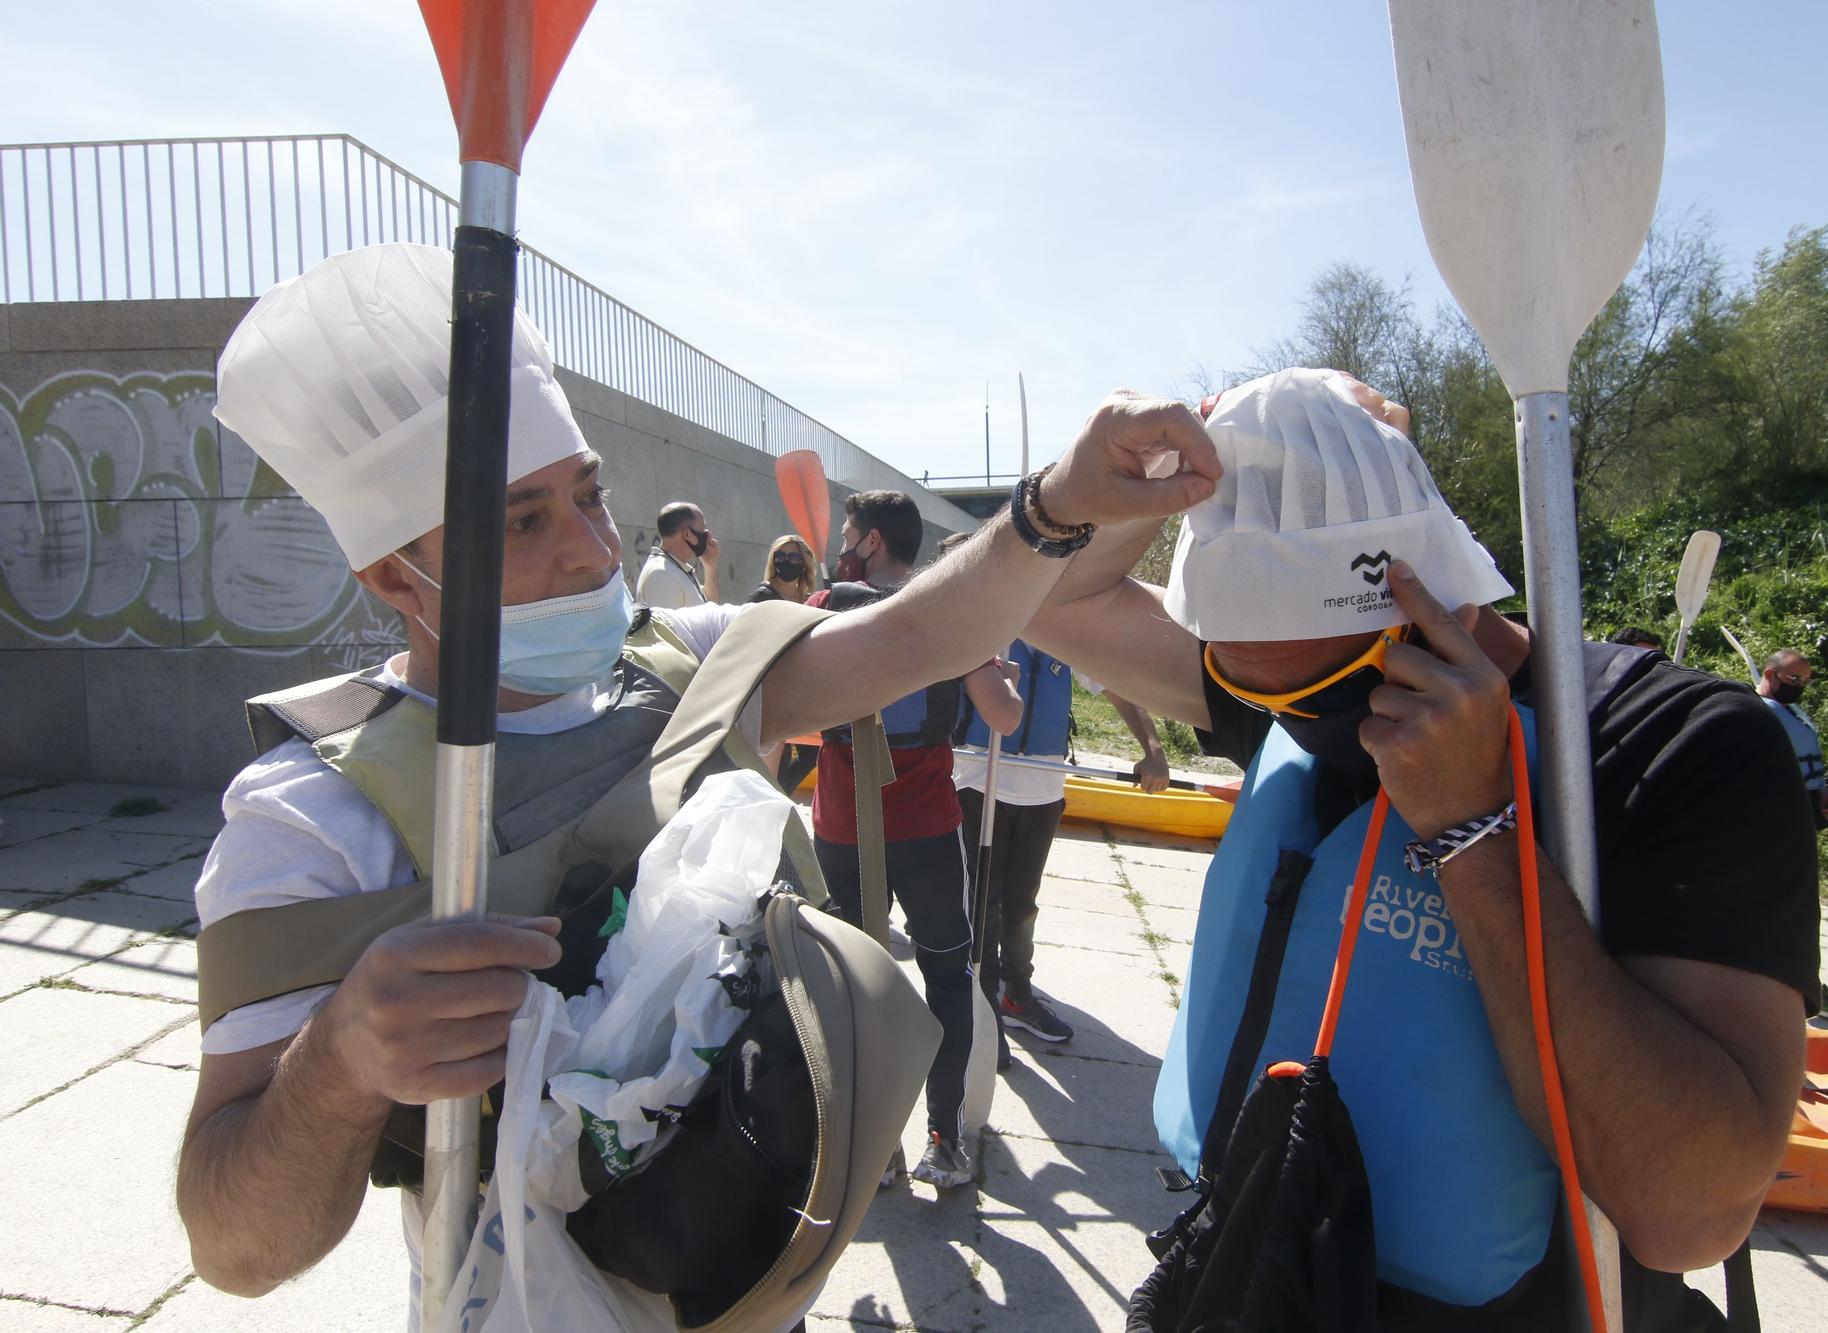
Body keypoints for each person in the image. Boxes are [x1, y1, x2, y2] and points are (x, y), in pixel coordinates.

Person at [177, 242, 1221, 1315]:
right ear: (395, 572)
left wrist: (1058, 503)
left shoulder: (685, 659)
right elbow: (234, 1245)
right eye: (524, 519)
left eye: (588, 496)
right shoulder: (309, 815)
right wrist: (342, 1059)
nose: (589, 549)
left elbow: (918, 635)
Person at [1026, 368, 1819, 1329]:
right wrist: (1168, 474)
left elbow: (1692, 1214)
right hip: (1256, 1264)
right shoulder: (1287, 670)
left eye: (1333, 692)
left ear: (1431, 595)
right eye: (1258, 695)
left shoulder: (1679, 747)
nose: (1303, 725)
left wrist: (1476, 834)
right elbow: (1048, 604)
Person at [805, 492, 1023, 1189]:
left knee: (849, 984)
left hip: (843, 829)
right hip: (927, 830)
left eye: (848, 534)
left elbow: (790, 712)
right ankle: (945, 1138)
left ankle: (862, 1145)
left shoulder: (820, 606)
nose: (843, 543)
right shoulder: (951, 615)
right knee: (946, 978)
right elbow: (1005, 717)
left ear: (869, 543)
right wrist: (995, 672)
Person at [943, 529, 1171, 1065]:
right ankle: (981, 1006)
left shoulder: (1066, 629)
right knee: (984, 900)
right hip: (979, 782)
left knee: (1022, 902)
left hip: (1042, 789)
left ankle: (1016, 994)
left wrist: (1154, 749)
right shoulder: (979, 622)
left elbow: (1119, 684)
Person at [1757, 648, 1828, 1018]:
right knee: (1777, 907)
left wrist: (1822, 793)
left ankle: (1803, 981)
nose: (1800, 687)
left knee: (1798, 908)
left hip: (1802, 819)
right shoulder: (1750, 713)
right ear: (1771, 674)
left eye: (1805, 681)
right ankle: (1795, 983)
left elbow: (1808, 759)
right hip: (1770, 826)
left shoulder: (1794, 713)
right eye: (1793, 680)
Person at [636, 501, 720, 607]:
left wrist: (710, 566)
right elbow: (667, 623)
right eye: (702, 529)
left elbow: (710, 609)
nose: (708, 536)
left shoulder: (675, 567)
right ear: (687, 534)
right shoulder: (662, 574)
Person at [747, 533, 818, 604]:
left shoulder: (809, 601)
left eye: (793, 557)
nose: (786, 561)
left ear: (805, 564)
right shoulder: (761, 598)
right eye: (780, 556)